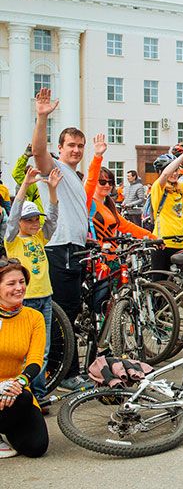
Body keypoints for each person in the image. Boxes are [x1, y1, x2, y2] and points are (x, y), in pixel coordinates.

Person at [30, 88, 88, 389]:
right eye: (71, 145)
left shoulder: (75, 177)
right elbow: (39, 153)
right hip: (60, 249)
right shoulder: (56, 169)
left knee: (73, 310)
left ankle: (66, 369)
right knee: (64, 311)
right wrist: (42, 117)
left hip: (76, 249)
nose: (76, 150)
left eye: (80, 146)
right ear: (60, 148)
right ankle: (65, 373)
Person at [3, 167, 60, 400]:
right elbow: (14, 214)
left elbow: (53, 218)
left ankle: (38, 394)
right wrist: (25, 185)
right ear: (21, 222)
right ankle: (22, 392)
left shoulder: (39, 237)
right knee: (22, 350)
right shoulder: (12, 240)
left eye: (36, 218)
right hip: (24, 300)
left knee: (42, 350)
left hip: (45, 297)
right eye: (30, 220)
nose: (35, 223)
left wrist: (52, 190)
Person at [0, 260, 50, 458]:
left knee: (36, 447)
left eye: (22, 282)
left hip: (16, 388)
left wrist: (20, 382)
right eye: (11, 284)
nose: (19, 288)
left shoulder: (34, 317)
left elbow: (36, 359)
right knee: (22, 398)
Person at [147, 153, 183, 276]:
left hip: (181, 242)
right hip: (162, 243)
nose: (175, 173)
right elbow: (166, 174)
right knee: (160, 282)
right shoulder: (158, 187)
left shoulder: (181, 188)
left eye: (177, 170)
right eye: (172, 169)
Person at [11, 145, 43, 213]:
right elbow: (17, 174)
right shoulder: (35, 186)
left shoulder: (62, 182)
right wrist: (25, 156)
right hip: (39, 221)